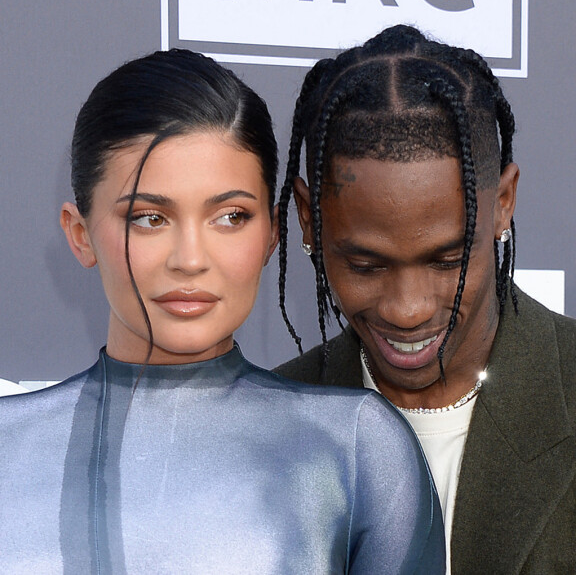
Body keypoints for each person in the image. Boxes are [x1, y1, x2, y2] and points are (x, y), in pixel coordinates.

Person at [0, 49, 444, 573]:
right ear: (80, 234)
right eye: (148, 218)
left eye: (231, 216)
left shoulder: (356, 451)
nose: (190, 260)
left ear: (273, 231)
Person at [275, 25, 576, 574]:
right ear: (308, 220)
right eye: (365, 265)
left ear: (503, 202)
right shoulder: (267, 428)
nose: (407, 308)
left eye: (446, 261)